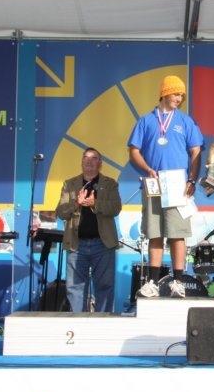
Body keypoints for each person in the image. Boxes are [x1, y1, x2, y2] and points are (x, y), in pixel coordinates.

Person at [128, 75, 204, 298]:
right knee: (155, 233)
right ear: (164, 93)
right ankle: (152, 282)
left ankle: (178, 282)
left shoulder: (185, 121)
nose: (179, 98)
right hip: (154, 183)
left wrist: (192, 179)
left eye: (181, 95)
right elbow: (134, 151)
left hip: (177, 184)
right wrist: (147, 168)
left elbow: (196, 151)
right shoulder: (146, 121)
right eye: (175, 94)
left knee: (177, 234)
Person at [56, 148, 122, 312]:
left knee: (105, 286)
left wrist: (95, 203)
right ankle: (78, 323)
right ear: (81, 161)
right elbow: (61, 212)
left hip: (103, 244)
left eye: (94, 158)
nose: (89, 161)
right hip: (76, 244)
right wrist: (75, 204)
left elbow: (115, 208)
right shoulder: (69, 184)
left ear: (100, 163)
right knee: (75, 288)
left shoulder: (110, 184)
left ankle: (103, 322)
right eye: (86, 157)